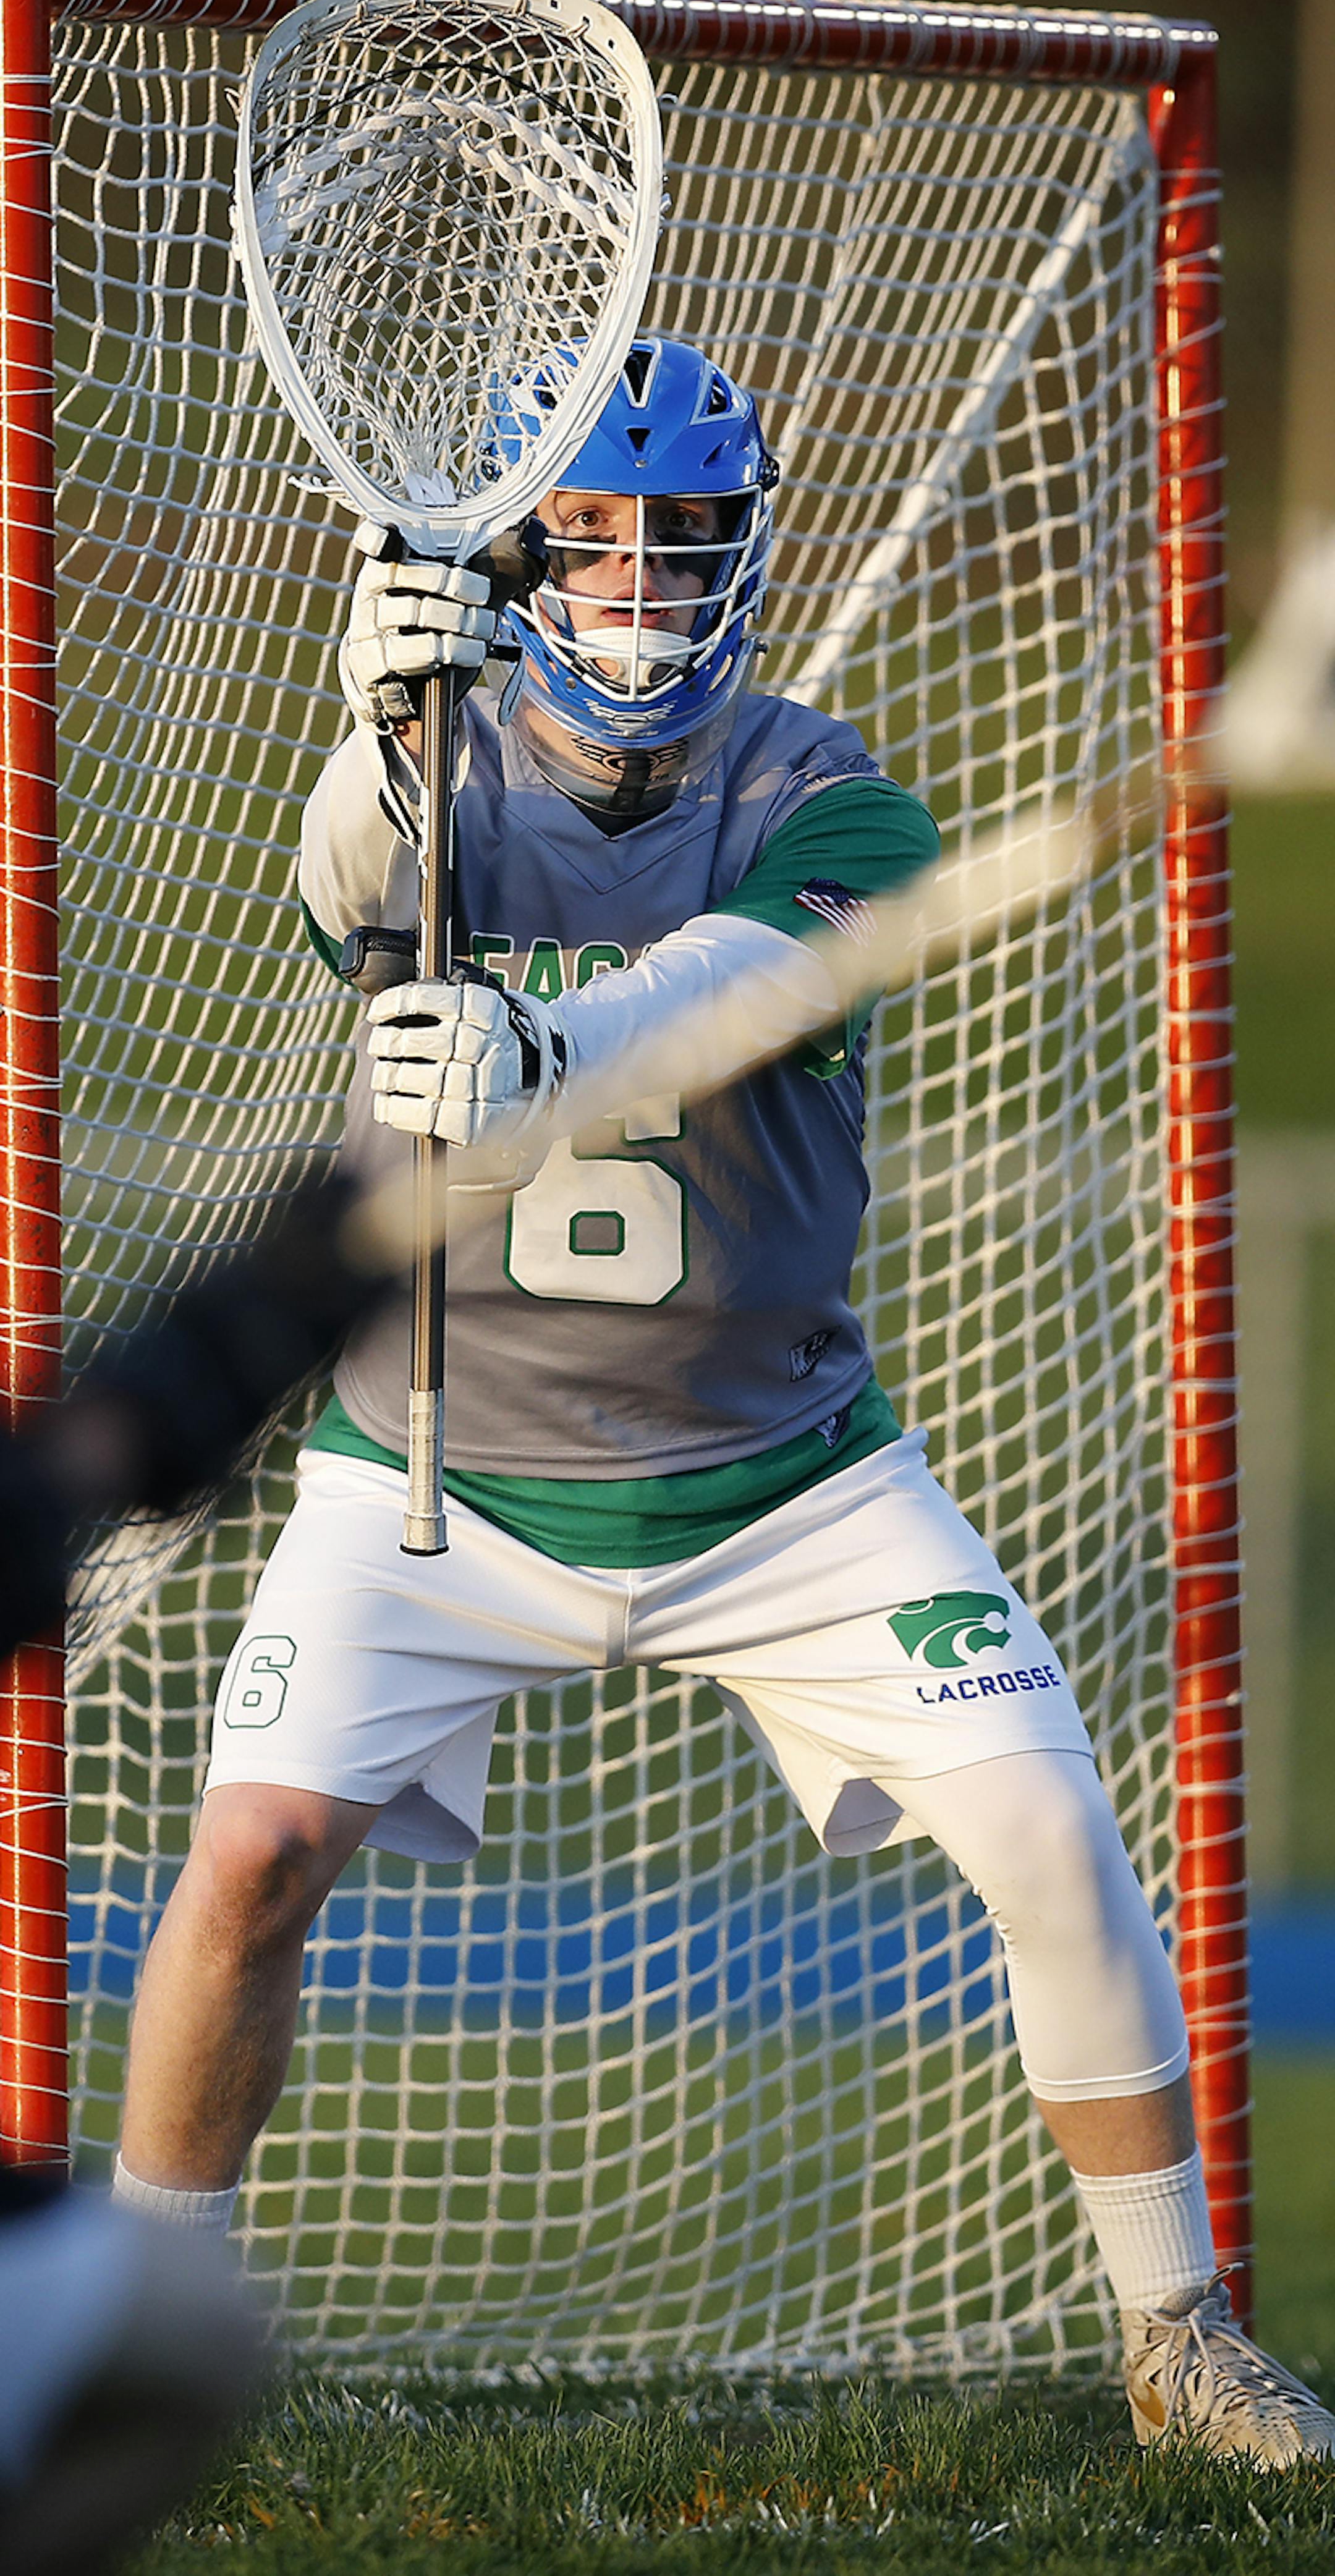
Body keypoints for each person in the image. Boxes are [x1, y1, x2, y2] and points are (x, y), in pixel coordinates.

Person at [105, 335, 1332, 2464]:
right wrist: (362, 728)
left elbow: (743, 982)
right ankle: (129, 2329)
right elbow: (342, 884)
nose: (642, 594)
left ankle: (1180, 2332)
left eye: (685, 546)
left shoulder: (834, 795)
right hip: (435, 1468)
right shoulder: (433, 779)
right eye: (590, 546)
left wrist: (539, 1047)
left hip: (785, 1485)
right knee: (248, 1862)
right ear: (506, 559)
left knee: (1051, 1828)